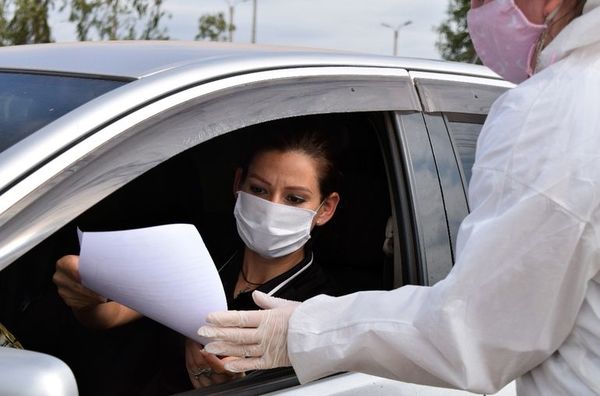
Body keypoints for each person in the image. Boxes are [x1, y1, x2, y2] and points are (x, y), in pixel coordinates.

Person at [197, 1, 600, 395]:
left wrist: (303, 332)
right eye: (259, 190)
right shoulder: (212, 257)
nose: (474, 10)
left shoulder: (556, 111)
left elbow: (479, 332)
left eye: (295, 197)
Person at [53, 121, 342, 391]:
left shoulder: (322, 308)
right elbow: (111, 313)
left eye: (294, 199)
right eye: (259, 189)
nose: (272, 208)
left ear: (325, 208)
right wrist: (85, 292)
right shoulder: (200, 247)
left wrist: (233, 387)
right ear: (238, 183)